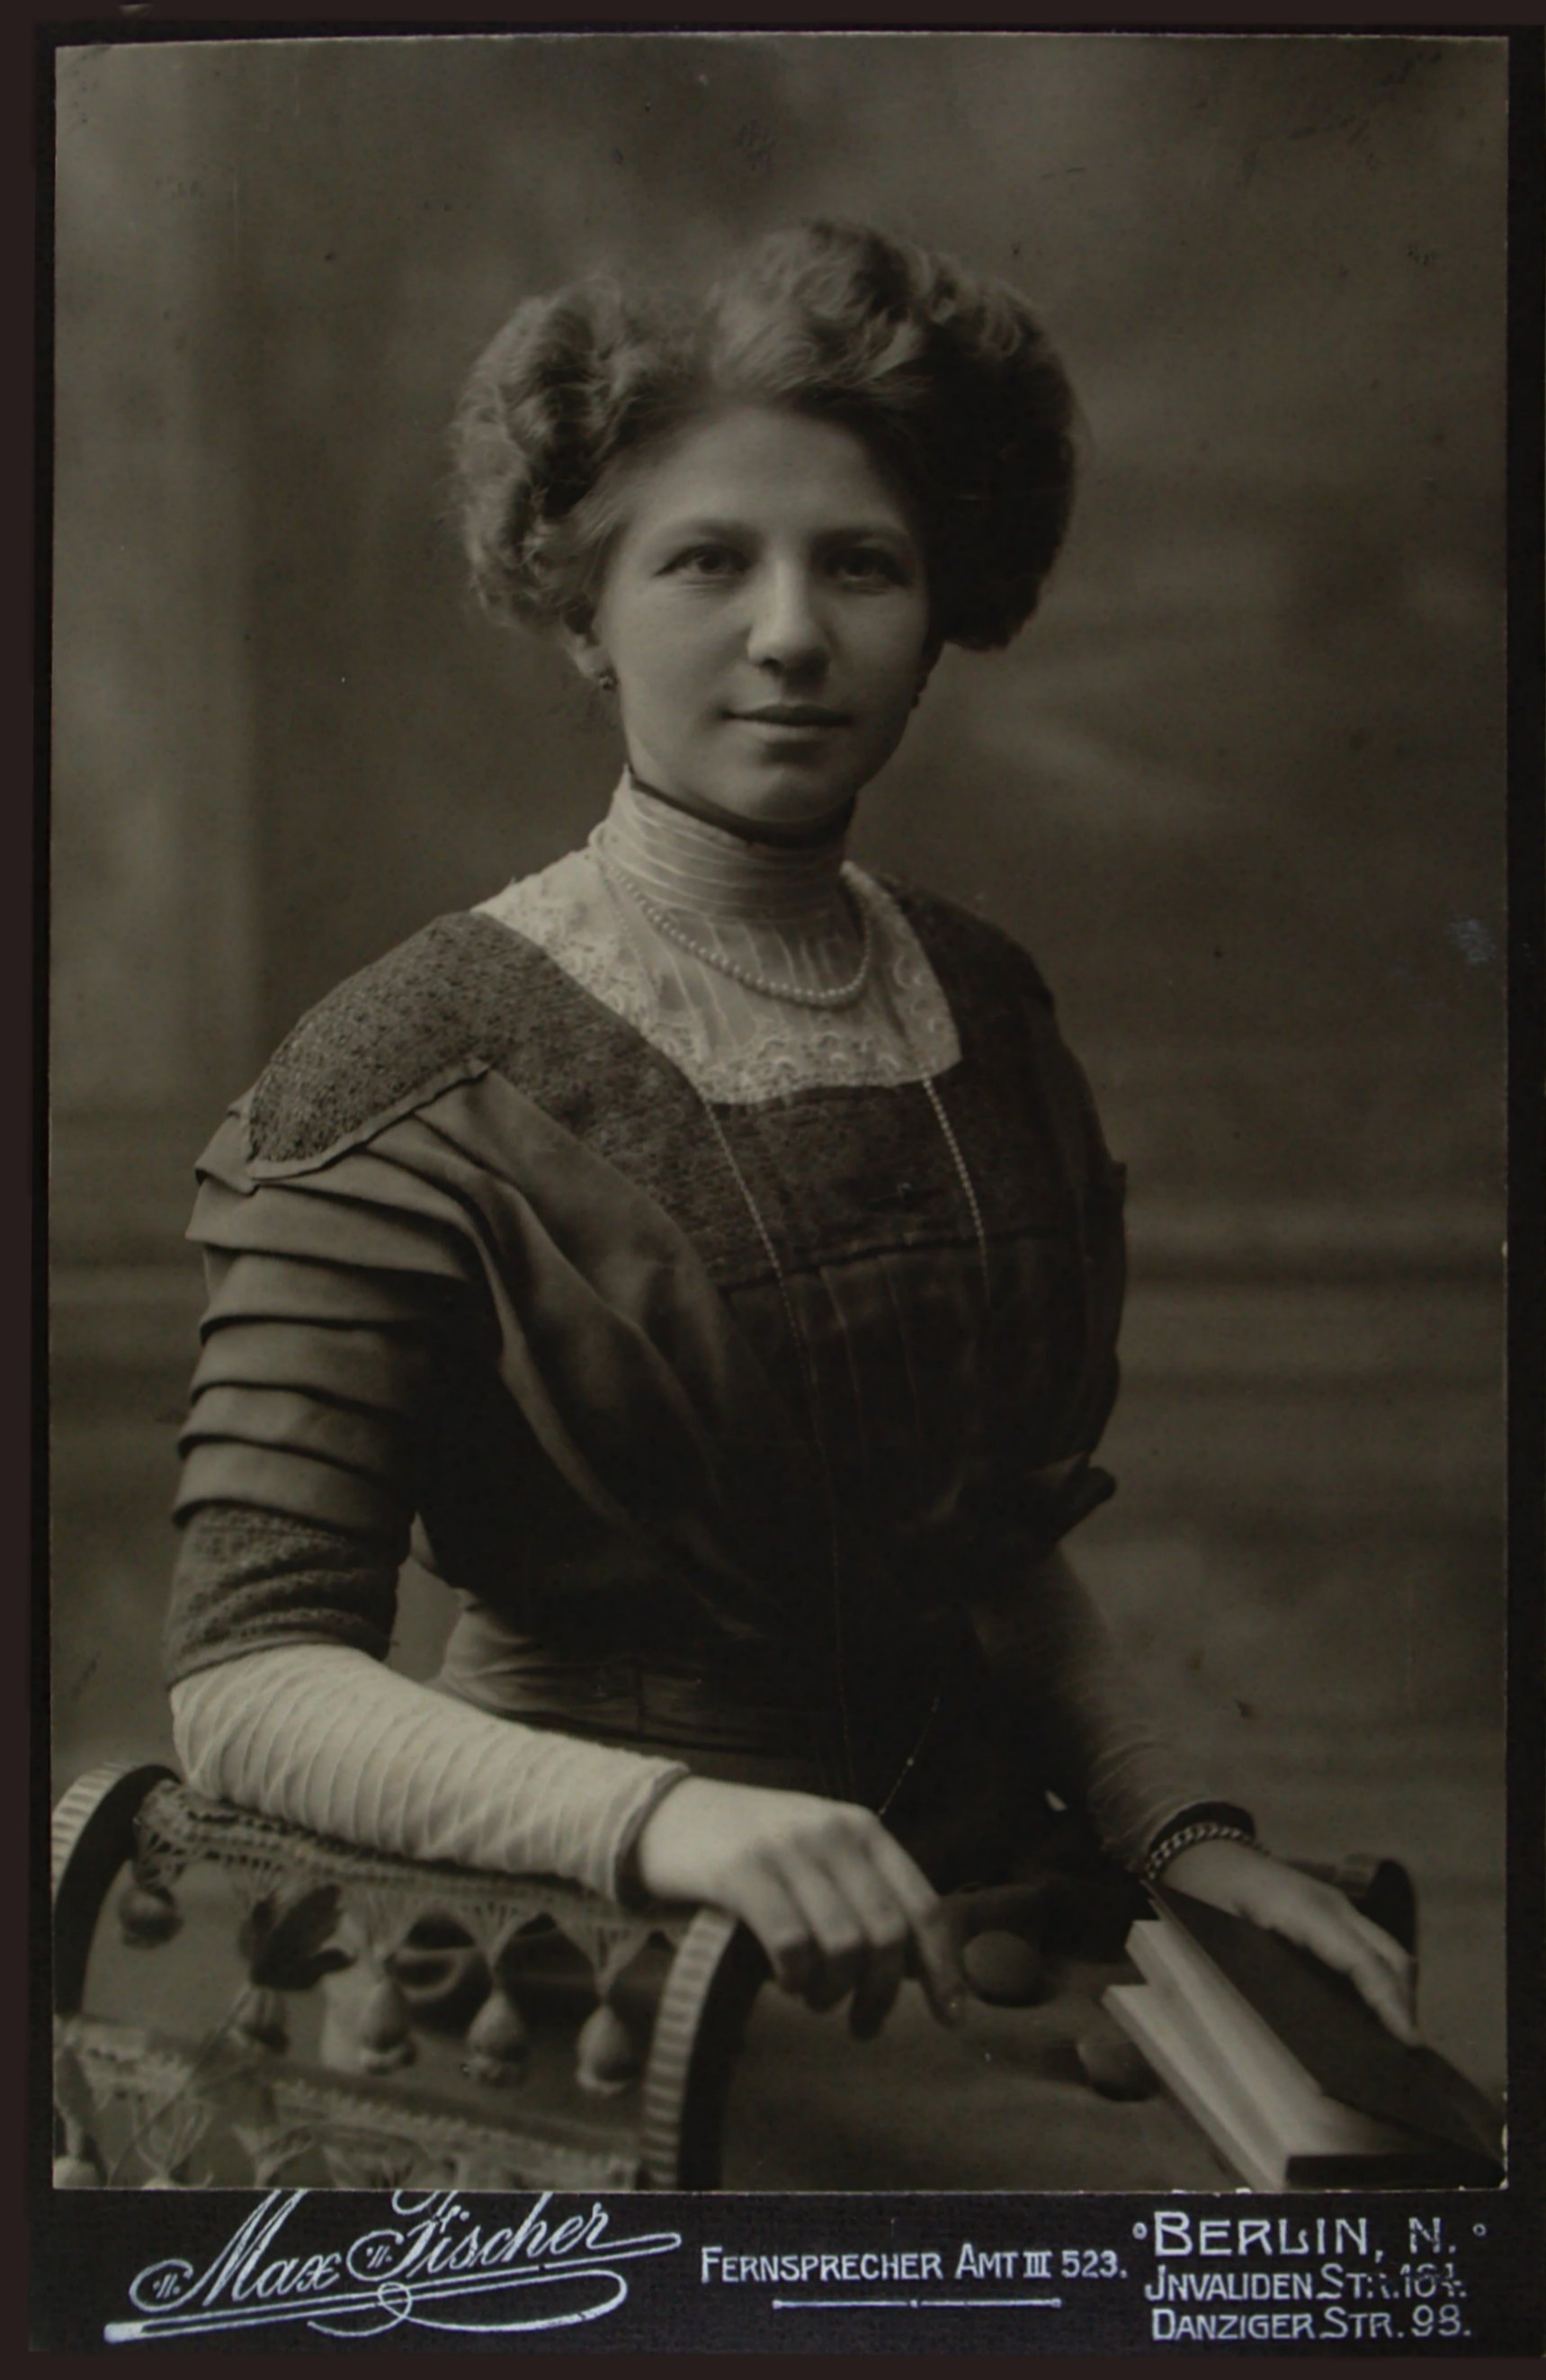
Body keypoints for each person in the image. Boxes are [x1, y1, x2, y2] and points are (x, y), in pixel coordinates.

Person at [164, 219, 1417, 2057]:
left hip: (987, 1904)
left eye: (859, 564)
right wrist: (670, 1820)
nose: (790, 635)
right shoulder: (400, 1065)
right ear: (580, 610)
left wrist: (1174, 1833)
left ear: (938, 604)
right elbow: (244, 1684)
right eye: (704, 560)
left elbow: (985, 1549)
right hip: (583, 1952)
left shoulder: (982, 1006)